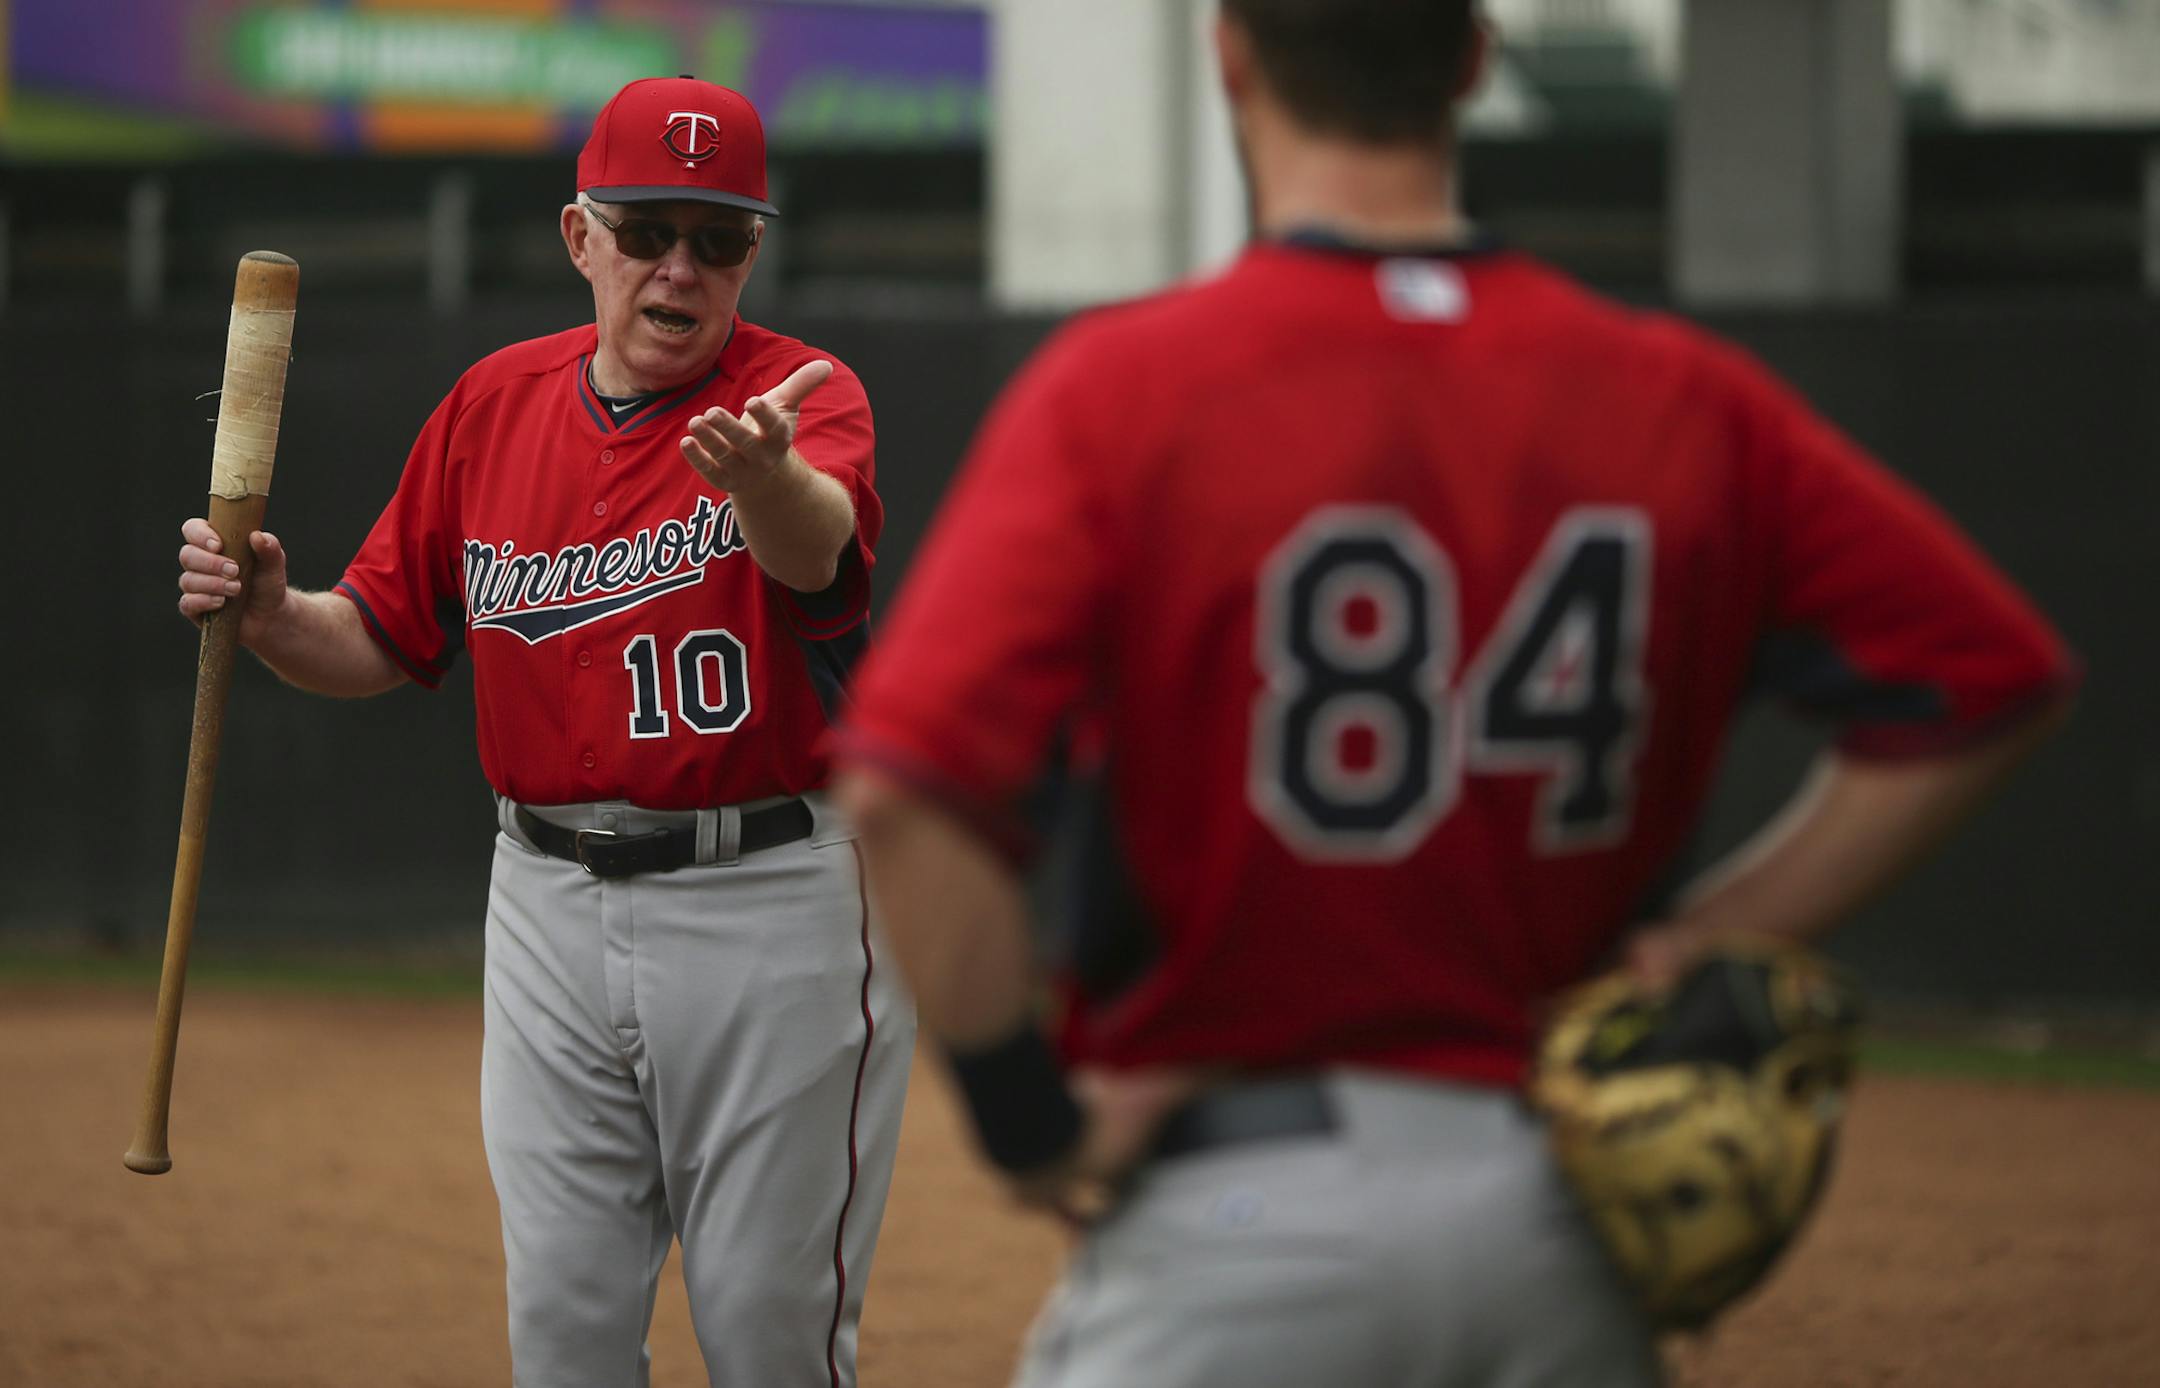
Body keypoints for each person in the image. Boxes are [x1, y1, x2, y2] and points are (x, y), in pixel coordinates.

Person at [830, 3, 2077, 1385]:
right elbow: (1992, 679)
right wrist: (1707, 936)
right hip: (1561, 1224)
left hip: (1236, 1214)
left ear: (1231, 53)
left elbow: (904, 796)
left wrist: (1030, 1127)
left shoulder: (1125, 390)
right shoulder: (1682, 397)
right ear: (1474, 58)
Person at [174, 76, 913, 1388]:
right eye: (648, 231)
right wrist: (277, 616)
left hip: (766, 904)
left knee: (769, 1340)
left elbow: (819, 555)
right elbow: (381, 637)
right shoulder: (491, 404)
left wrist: (768, 482)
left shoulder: (798, 397)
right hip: (544, 907)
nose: (680, 267)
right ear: (582, 237)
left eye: (719, 237)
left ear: (752, 252)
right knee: (563, 1341)